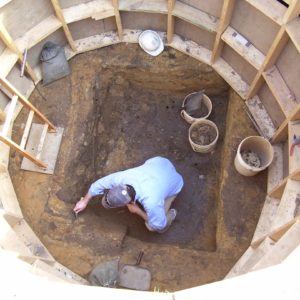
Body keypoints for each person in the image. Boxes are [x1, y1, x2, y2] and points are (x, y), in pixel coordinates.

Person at [73, 156, 184, 233]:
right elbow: (96, 186)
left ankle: (171, 214)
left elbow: (158, 225)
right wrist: (84, 201)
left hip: (175, 184)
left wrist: (138, 211)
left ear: (126, 203)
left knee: (152, 227)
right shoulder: (121, 178)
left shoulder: (151, 202)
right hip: (161, 162)